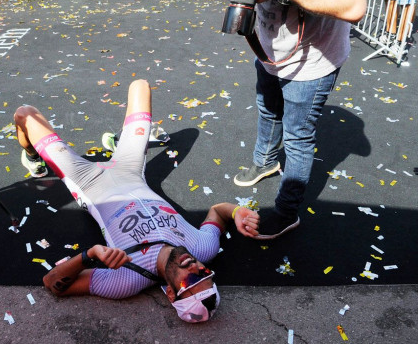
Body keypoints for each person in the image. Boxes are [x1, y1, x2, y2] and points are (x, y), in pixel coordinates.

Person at [13, 79, 260, 323]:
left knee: (25, 114)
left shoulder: (126, 281)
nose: (195, 268)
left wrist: (90, 256)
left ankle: (32, 155)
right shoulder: (203, 249)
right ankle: (121, 142)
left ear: (171, 294)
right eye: (205, 274)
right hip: (129, 171)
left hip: (89, 183)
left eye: (191, 281)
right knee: (140, 86)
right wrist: (237, 211)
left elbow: (53, 283)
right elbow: (217, 212)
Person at [219, 0, 367, 239]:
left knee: (297, 135)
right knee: (268, 109)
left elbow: (353, 5)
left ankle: (286, 212)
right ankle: (266, 161)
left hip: (312, 61)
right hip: (271, 52)